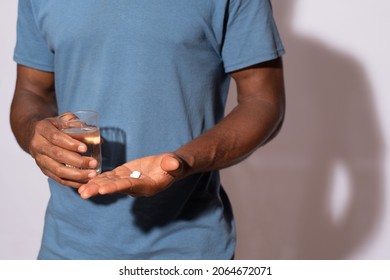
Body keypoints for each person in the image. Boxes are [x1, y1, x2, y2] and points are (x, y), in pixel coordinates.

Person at [10, 0, 285, 260]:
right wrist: (35, 132)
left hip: (188, 251)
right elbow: (31, 90)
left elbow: (262, 101)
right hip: (65, 250)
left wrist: (182, 162)